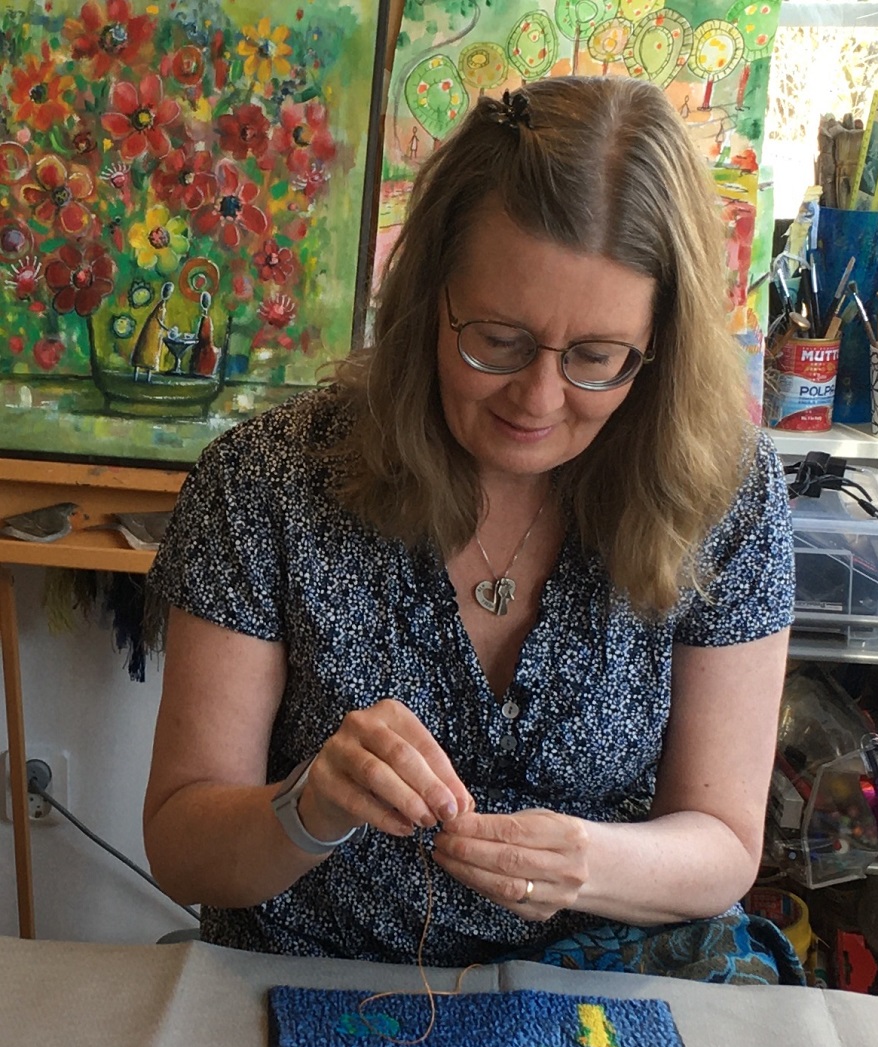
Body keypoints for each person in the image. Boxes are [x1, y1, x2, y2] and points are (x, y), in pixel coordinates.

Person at [143, 76, 801, 985]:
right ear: (428, 298)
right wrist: (307, 808)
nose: (537, 398)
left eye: (596, 359)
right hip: (308, 981)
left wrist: (589, 863)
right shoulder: (268, 483)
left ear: (659, 348)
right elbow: (183, 844)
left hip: (602, 979)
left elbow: (724, 840)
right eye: (496, 339)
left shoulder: (725, 492)